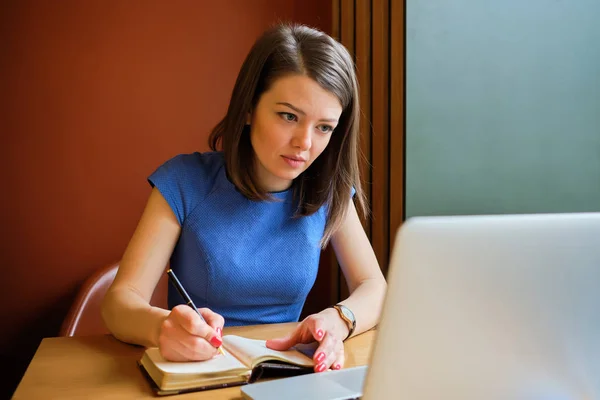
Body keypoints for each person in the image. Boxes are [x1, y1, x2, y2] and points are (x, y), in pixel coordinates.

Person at [101, 22, 387, 374]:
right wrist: (162, 329)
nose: (305, 143)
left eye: (324, 127)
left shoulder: (329, 191)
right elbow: (118, 303)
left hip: (287, 375)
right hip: (200, 374)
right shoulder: (183, 181)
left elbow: (374, 287)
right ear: (249, 107)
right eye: (288, 116)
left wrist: (339, 318)